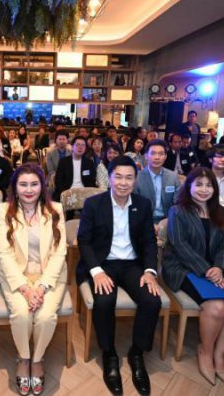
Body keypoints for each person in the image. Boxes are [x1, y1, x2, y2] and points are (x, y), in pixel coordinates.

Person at [76, 156, 161, 396]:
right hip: (103, 264)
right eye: (118, 177)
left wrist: (150, 271)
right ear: (110, 178)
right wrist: (96, 271)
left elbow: (149, 241)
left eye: (129, 178)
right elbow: (84, 240)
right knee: (104, 301)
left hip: (132, 265)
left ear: (135, 180)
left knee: (151, 300)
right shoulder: (94, 204)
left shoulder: (142, 204)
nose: (123, 183)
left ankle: (137, 353)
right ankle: (109, 353)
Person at [161, 167, 224, 386]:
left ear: (215, 189)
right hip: (183, 267)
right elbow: (179, 245)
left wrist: (219, 267)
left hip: (217, 269)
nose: (204, 189)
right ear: (189, 186)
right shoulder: (178, 211)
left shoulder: (222, 212)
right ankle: (205, 351)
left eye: (208, 185)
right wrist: (208, 270)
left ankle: (219, 354)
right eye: (198, 184)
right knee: (216, 308)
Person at [0, 164, 67, 395]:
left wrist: (42, 287)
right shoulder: (3, 210)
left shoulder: (56, 209)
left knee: (45, 316)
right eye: (23, 184)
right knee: (21, 313)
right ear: (15, 187)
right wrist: (25, 289)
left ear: (42, 186)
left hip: (49, 274)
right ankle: (23, 359)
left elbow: (60, 253)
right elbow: (4, 254)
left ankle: (37, 360)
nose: (28, 189)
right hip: (14, 274)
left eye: (34, 184)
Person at [134, 140, 182, 224]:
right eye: (153, 153)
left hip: (169, 220)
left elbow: (178, 204)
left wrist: (168, 221)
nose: (157, 157)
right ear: (146, 156)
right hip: (143, 221)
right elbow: (135, 206)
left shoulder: (173, 177)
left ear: (165, 156)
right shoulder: (137, 178)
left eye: (161, 154)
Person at [52, 136, 97, 202]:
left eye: (83, 145)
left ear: (85, 148)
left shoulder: (89, 163)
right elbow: (58, 181)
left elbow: (92, 181)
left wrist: (86, 193)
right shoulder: (63, 162)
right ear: (72, 147)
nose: (80, 147)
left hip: (84, 193)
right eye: (77, 144)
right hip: (67, 192)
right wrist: (66, 193)